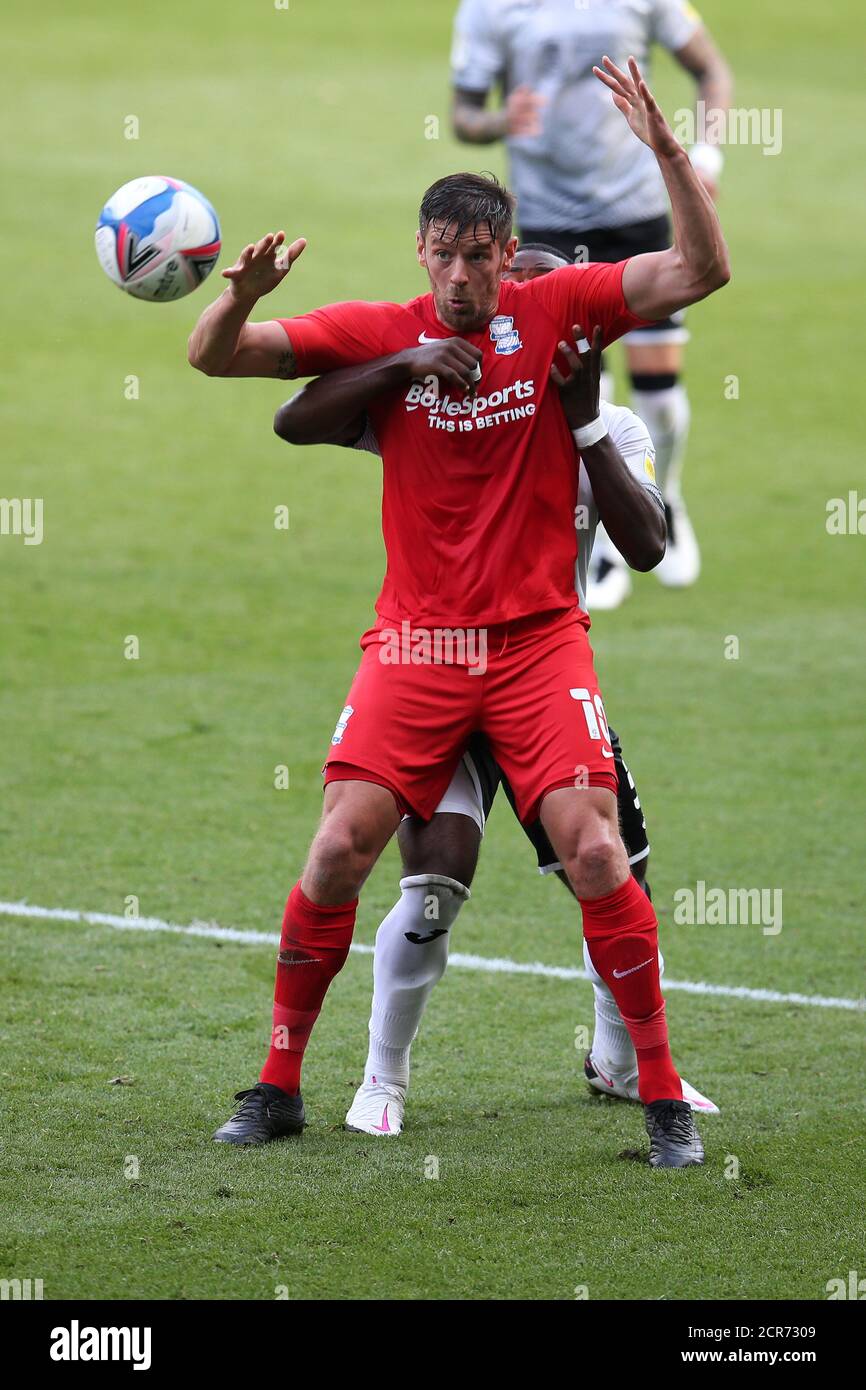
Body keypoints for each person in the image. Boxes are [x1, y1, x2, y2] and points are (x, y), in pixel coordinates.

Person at [188, 58, 730, 1166]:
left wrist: (667, 152)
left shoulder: (558, 312)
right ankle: (281, 1082)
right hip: (416, 645)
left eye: (481, 258)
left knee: (593, 852)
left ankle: (659, 1094)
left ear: (506, 249)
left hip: (536, 642)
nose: (463, 279)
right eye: (444, 258)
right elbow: (217, 359)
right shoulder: (385, 330)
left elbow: (700, 270)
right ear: (421, 255)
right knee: (340, 847)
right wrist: (242, 291)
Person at [273, 303, 720, 1136]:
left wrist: (584, 424)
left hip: (539, 676)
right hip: (431, 672)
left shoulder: (611, 424)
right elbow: (297, 417)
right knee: (435, 883)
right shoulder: (446, 400)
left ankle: (621, 1068)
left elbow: (650, 546)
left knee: (615, 865)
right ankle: (381, 1079)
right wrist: (403, 365)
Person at [451, 0, 733, 608]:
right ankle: (601, 540)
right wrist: (502, 121)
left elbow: (711, 70)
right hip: (548, 223)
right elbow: (463, 114)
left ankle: (667, 496)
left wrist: (707, 153)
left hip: (637, 212)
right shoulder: (487, 8)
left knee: (657, 388)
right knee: (578, 384)